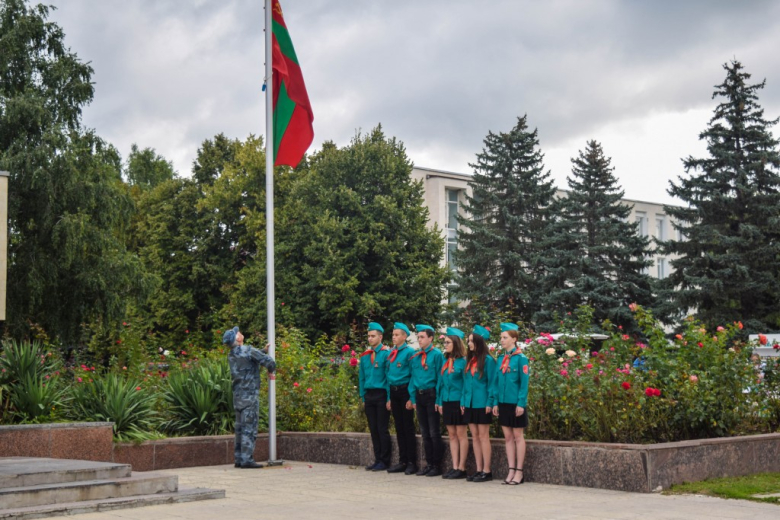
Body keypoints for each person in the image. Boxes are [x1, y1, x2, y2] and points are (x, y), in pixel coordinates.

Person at [224, 326, 276, 469]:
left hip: (238, 396)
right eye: (238, 333)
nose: (240, 333)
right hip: (250, 395)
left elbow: (249, 358)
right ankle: (247, 460)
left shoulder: (232, 354)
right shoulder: (247, 350)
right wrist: (271, 370)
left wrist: (262, 351)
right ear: (238, 339)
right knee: (249, 428)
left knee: (240, 428)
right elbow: (270, 362)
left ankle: (239, 459)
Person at [492, 323, 529, 485]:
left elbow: (524, 383)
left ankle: (519, 472)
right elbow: (495, 383)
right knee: (507, 437)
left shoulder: (521, 359)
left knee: (518, 436)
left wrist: (521, 403)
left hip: (516, 403)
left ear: (514, 339)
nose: (502, 340)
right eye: (501, 337)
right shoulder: (500, 359)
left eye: (505, 337)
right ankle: (511, 469)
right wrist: (495, 402)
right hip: (503, 403)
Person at [461, 325, 496, 482]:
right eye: (468, 341)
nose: (468, 344)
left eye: (471, 341)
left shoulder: (488, 360)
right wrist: (463, 401)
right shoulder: (470, 360)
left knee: (483, 436)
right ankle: (479, 468)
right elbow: (465, 383)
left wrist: (490, 402)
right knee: (474, 436)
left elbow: (492, 383)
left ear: (479, 342)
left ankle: (487, 471)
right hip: (469, 403)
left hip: (482, 403)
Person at [408, 324, 445, 476]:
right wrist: (412, 397)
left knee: (433, 431)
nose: (420, 340)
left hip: (431, 395)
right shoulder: (416, 356)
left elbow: (440, 377)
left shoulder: (437, 355)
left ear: (431, 338)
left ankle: (437, 464)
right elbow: (413, 378)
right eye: (418, 337)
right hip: (419, 395)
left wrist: (438, 398)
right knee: (424, 432)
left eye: (422, 337)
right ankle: (429, 463)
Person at [359, 322, 393, 471]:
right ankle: (377, 459)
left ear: (380, 337)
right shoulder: (365, 356)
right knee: (373, 429)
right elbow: (361, 378)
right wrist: (363, 396)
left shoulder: (386, 354)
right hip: (369, 395)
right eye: (369, 336)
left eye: (373, 336)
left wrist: (388, 398)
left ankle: (385, 461)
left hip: (381, 394)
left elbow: (388, 377)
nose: (370, 339)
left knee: (382, 428)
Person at [437, 327, 468, 479]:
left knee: (461, 435)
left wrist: (463, 402)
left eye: (448, 342)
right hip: (447, 401)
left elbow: (466, 384)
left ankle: (462, 467)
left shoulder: (463, 362)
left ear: (455, 343)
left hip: (458, 401)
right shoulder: (445, 360)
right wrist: (439, 401)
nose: (445, 345)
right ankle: (454, 466)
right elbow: (441, 383)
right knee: (452, 435)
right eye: (445, 342)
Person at [386, 322, 418, 475]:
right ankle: (402, 460)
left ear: (404, 336)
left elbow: (413, 376)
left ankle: (412, 462)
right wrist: (389, 397)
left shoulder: (409, 352)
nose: (394, 337)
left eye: (397, 334)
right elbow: (388, 376)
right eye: (393, 334)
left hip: (405, 391)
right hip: (394, 391)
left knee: (407, 427)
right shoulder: (391, 352)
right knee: (399, 427)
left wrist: (411, 397)